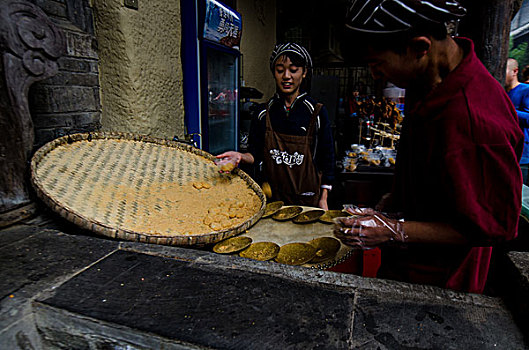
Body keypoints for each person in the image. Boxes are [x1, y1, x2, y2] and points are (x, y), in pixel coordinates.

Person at [335, 0, 523, 294]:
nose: (375, 75)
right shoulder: (427, 80)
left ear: (420, 47)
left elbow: (493, 226)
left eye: (378, 64)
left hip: (441, 283)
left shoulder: (475, 121)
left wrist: (394, 230)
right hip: (403, 264)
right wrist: (393, 204)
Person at [216, 43, 335, 209]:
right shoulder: (263, 112)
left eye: (293, 70)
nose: (286, 76)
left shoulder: (316, 113)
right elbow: (255, 155)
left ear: (304, 72)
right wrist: (240, 157)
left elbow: (327, 160)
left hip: (307, 202)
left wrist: (324, 199)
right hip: (272, 201)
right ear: (274, 72)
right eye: (280, 70)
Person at [505, 58, 529, 184]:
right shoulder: (502, 92)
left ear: (515, 71)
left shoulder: (526, 90)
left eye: (504, 70)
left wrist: (507, 109)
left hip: (523, 156)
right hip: (506, 153)